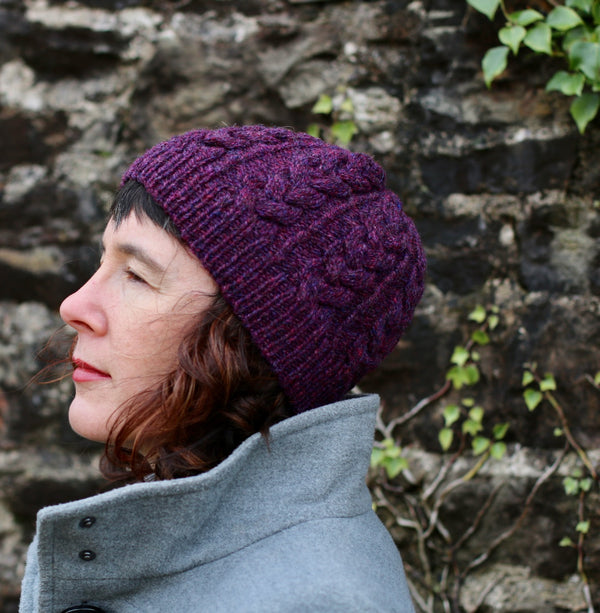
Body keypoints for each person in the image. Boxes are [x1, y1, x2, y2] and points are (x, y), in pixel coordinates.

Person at [19, 125, 426, 613]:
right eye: (103, 261)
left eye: (137, 275)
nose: (73, 306)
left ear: (249, 343)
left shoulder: (316, 601)